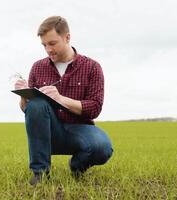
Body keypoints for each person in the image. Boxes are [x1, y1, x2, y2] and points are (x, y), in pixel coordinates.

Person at [14, 16, 113, 186]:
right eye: (44, 45)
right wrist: (24, 96)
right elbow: (28, 110)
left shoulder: (92, 67)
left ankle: (77, 166)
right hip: (49, 132)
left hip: (80, 130)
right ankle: (40, 174)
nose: (48, 49)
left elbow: (95, 108)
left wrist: (60, 99)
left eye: (52, 43)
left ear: (67, 37)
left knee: (102, 148)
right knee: (37, 105)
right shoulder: (38, 67)